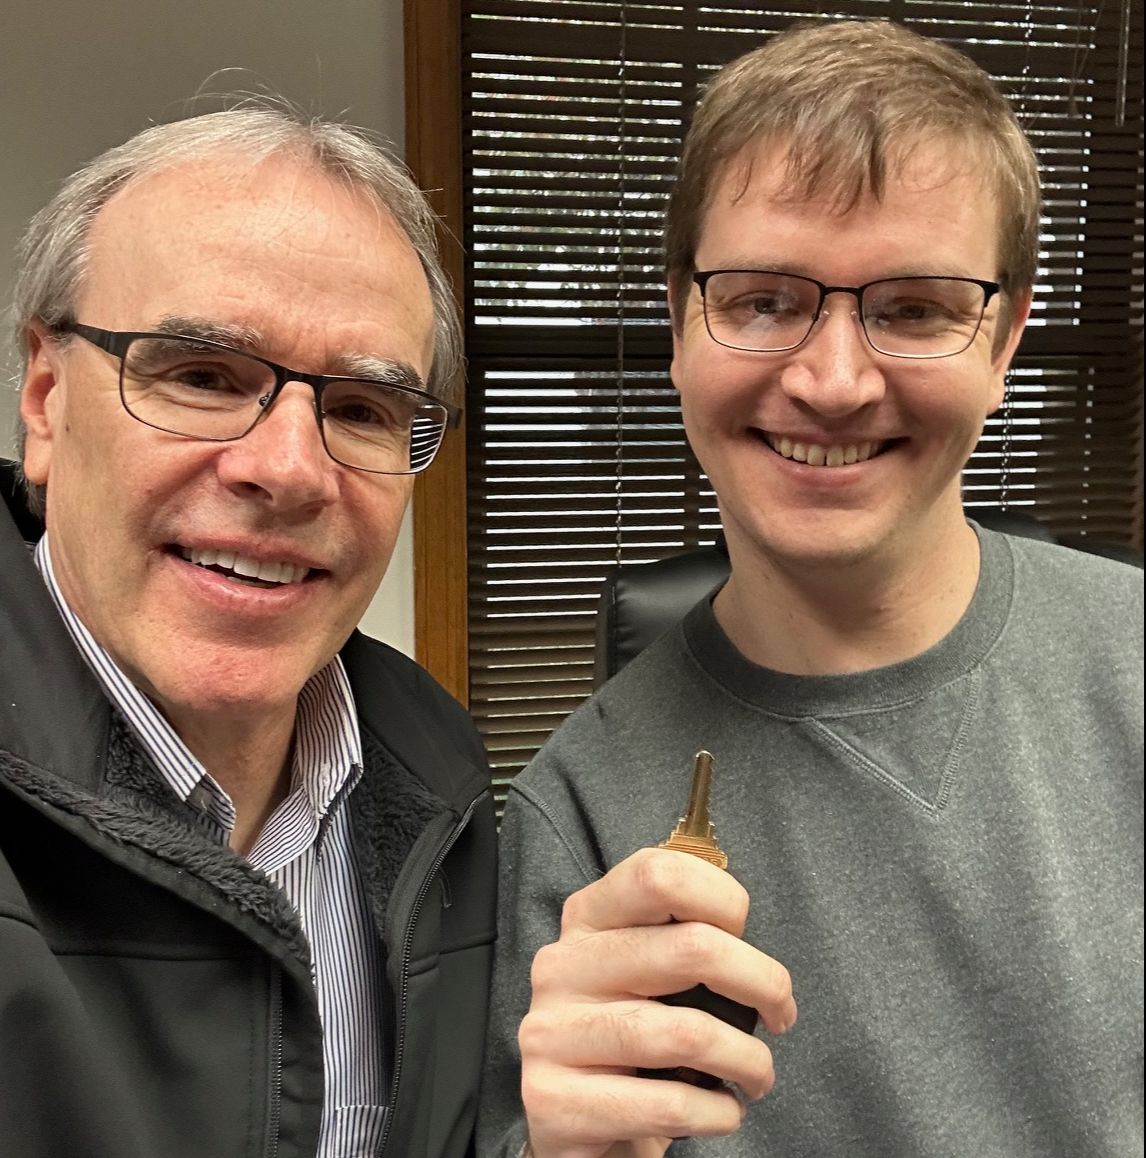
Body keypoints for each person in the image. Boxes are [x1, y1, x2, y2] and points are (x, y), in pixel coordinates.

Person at [478, 18, 1142, 1158]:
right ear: (683, 320)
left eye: (916, 307)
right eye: (764, 300)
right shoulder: (572, 824)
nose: (833, 383)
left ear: (1006, 337)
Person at [0, 105, 497, 1158]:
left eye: (363, 408)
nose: (286, 469)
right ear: (44, 400)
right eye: (203, 377)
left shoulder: (444, 794)